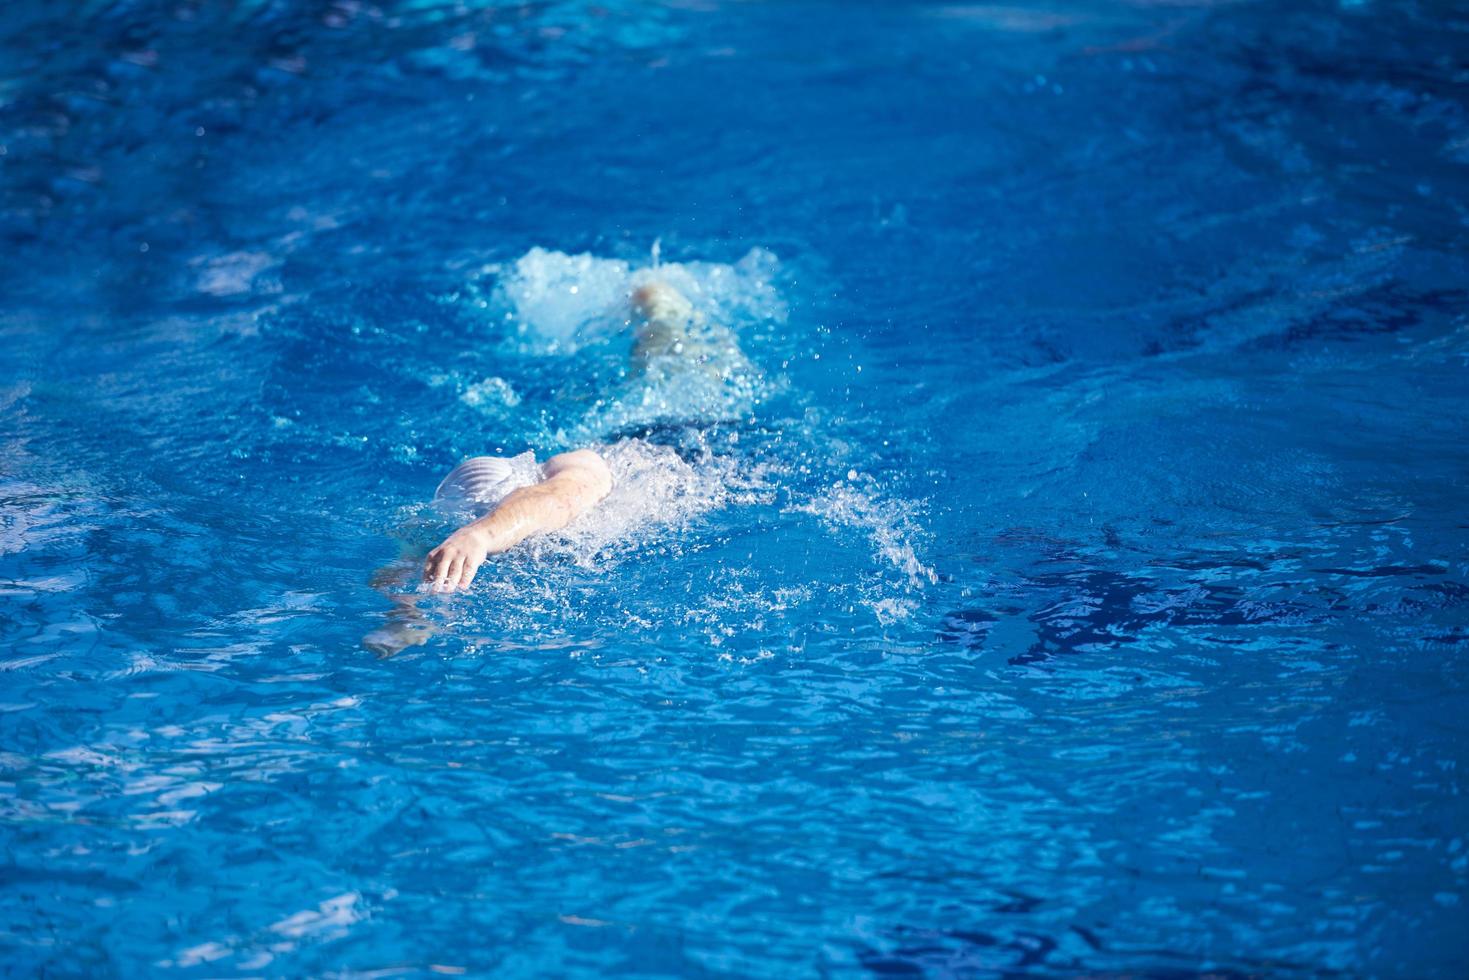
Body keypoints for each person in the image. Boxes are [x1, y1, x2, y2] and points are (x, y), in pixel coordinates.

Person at [363, 279, 729, 656]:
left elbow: (553, 500)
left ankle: (658, 300)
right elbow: (396, 573)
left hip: (692, 442)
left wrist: (480, 536)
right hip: (634, 442)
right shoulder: (436, 527)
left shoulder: (577, 470)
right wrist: (404, 619)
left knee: (678, 360)